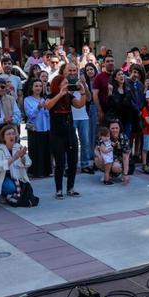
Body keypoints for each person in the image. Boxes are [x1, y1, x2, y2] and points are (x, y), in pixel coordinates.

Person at [46, 63, 87, 198]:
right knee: (60, 163)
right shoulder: (51, 95)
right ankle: (59, 190)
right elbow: (48, 105)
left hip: (70, 132)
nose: (66, 85)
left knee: (73, 160)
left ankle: (70, 188)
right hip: (57, 134)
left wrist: (83, 91)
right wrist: (60, 94)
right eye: (64, 83)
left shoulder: (69, 96)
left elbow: (80, 105)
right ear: (57, 85)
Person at [0, 124, 30, 203]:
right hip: (4, 176)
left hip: (17, 176)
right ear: (3, 137)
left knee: (26, 188)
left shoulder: (18, 146)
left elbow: (29, 163)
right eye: (8, 134)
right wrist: (14, 158)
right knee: (11, 188)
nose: (11, 136)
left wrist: (23, 157)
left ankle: (14, 196)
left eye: (13, 133)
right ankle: (4, 194)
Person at [23, 78, 51, 177]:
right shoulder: (27, 100)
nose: (38, 88)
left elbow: (48, 114)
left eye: (40, 86)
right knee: (35, 150)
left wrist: (46, 109)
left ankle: (47, 171)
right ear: (32, 87)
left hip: (45, 127)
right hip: (34, 128)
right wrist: (38, 108)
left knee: (45, 149)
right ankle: (36, 171)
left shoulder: (44, 99)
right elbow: (29, 115)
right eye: (36, 86)